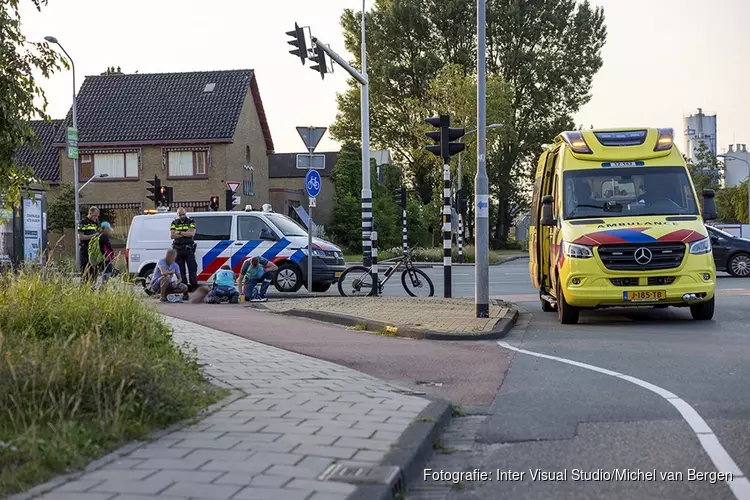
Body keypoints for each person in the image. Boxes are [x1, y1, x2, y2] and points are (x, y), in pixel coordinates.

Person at [170, 207, 197, 300]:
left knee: (192, 271)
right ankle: (185, 293)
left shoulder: (190, 221)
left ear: (186, 213)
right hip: (178, 250)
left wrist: (180, 232)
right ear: (177, 215)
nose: (182, 216)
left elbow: (192, 234)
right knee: (181, 273)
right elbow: (172, 235)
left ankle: (195, 292)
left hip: (189, 250)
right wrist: (185, 233)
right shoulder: (174, 222)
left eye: (183, 214)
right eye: (180, 214)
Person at [78, 206, 100, 278]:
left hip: (94, 252)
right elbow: (80, 237)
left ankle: (93, 288)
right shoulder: (83, 222)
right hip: (85, 251)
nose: (96, 217)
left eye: (97, 216)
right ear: (90, 213)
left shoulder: (95, 222)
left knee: (94, 273)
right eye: (95, 215)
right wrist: (94, 236)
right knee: (85, 274)